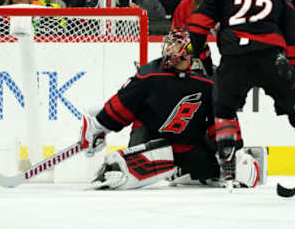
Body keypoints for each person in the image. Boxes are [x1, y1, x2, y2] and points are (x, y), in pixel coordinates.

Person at [80, 29, 263, 190]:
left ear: (190, 52)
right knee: (135, 164)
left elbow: (221, 120)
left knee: (214, 168)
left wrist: (234, 152)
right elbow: (123, 105)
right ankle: (121, 169)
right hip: (150, 137)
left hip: (188, 144)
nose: (169, 49)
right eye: (170, 44)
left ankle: (185, 172)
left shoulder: (210, 82)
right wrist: (99, 126)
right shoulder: (150, 74)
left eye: (176, 45)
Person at [187, 0, 295, 185]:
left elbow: (196, 26)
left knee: (223, 108)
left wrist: (201, 55)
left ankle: (228, 161)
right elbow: (292, 38)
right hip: (273, 57)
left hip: (236, 57)